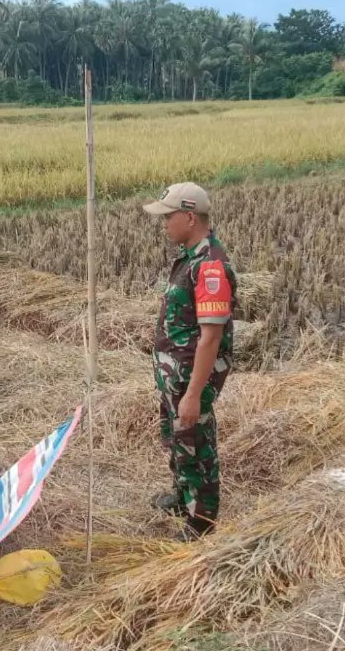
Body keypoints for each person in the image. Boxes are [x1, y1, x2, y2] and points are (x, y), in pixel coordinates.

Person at [143, 182, 236, 539]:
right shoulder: (190, 258)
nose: (164, 224)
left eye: (168, 217)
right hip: (175, 373)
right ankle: (183, 497)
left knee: (196, 443)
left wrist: (194, 394)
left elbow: (211, 338)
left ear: (189, 217)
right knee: (177, 437)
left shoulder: (211, 267)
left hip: (191, 376)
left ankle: (201, 521)